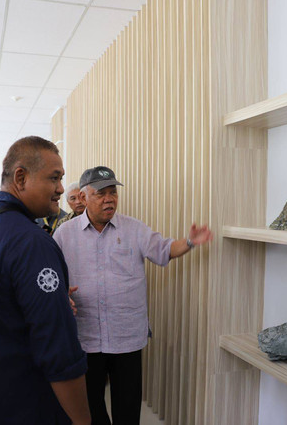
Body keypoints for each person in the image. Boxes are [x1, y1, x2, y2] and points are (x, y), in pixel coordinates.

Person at [0, 136, 91, 424]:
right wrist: (83, 420)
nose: (61, 189)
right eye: (54, 178)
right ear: (21, 178)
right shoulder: (31, 243)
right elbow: (59, 351)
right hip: (18, 404)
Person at [53, 166, 213, 425]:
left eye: (113, 192)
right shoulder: (64, 234)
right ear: (82, 198)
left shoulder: (134, 229)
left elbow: (164, 249)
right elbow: (53, 275)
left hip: (126, 336)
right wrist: (62, 295)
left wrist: (190, 241)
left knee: (127, 407)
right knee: (92, 406)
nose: (109, 199)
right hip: (85, 336)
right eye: (101, 193)